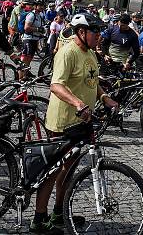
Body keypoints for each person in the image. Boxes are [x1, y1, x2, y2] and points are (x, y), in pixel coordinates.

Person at [34, 13, 118, 233]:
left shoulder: (90, 53)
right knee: (53, 172)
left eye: (100, 31)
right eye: (95, 31)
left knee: (68, 171)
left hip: (82, 122)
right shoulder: (67, 52)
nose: (99, 36)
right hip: (63, 121)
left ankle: (59, 214)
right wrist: (78, 102)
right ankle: (39, 218)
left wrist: (103, 98)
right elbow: (56, 86)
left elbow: (92, 81)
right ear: (81, 32)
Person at [20, 0, 46, 74]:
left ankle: (25, 74)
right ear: (35, 6)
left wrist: (41, 32)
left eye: (43, 6)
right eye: (40, 5)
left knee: (30, 58)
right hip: (28, 39)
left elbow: (39, 28)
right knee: (25, 58)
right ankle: (20, 77)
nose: (42, 7)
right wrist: (38, 29)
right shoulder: (31, 15)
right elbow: (26, 27)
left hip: (35, 39)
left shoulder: (39, 16)